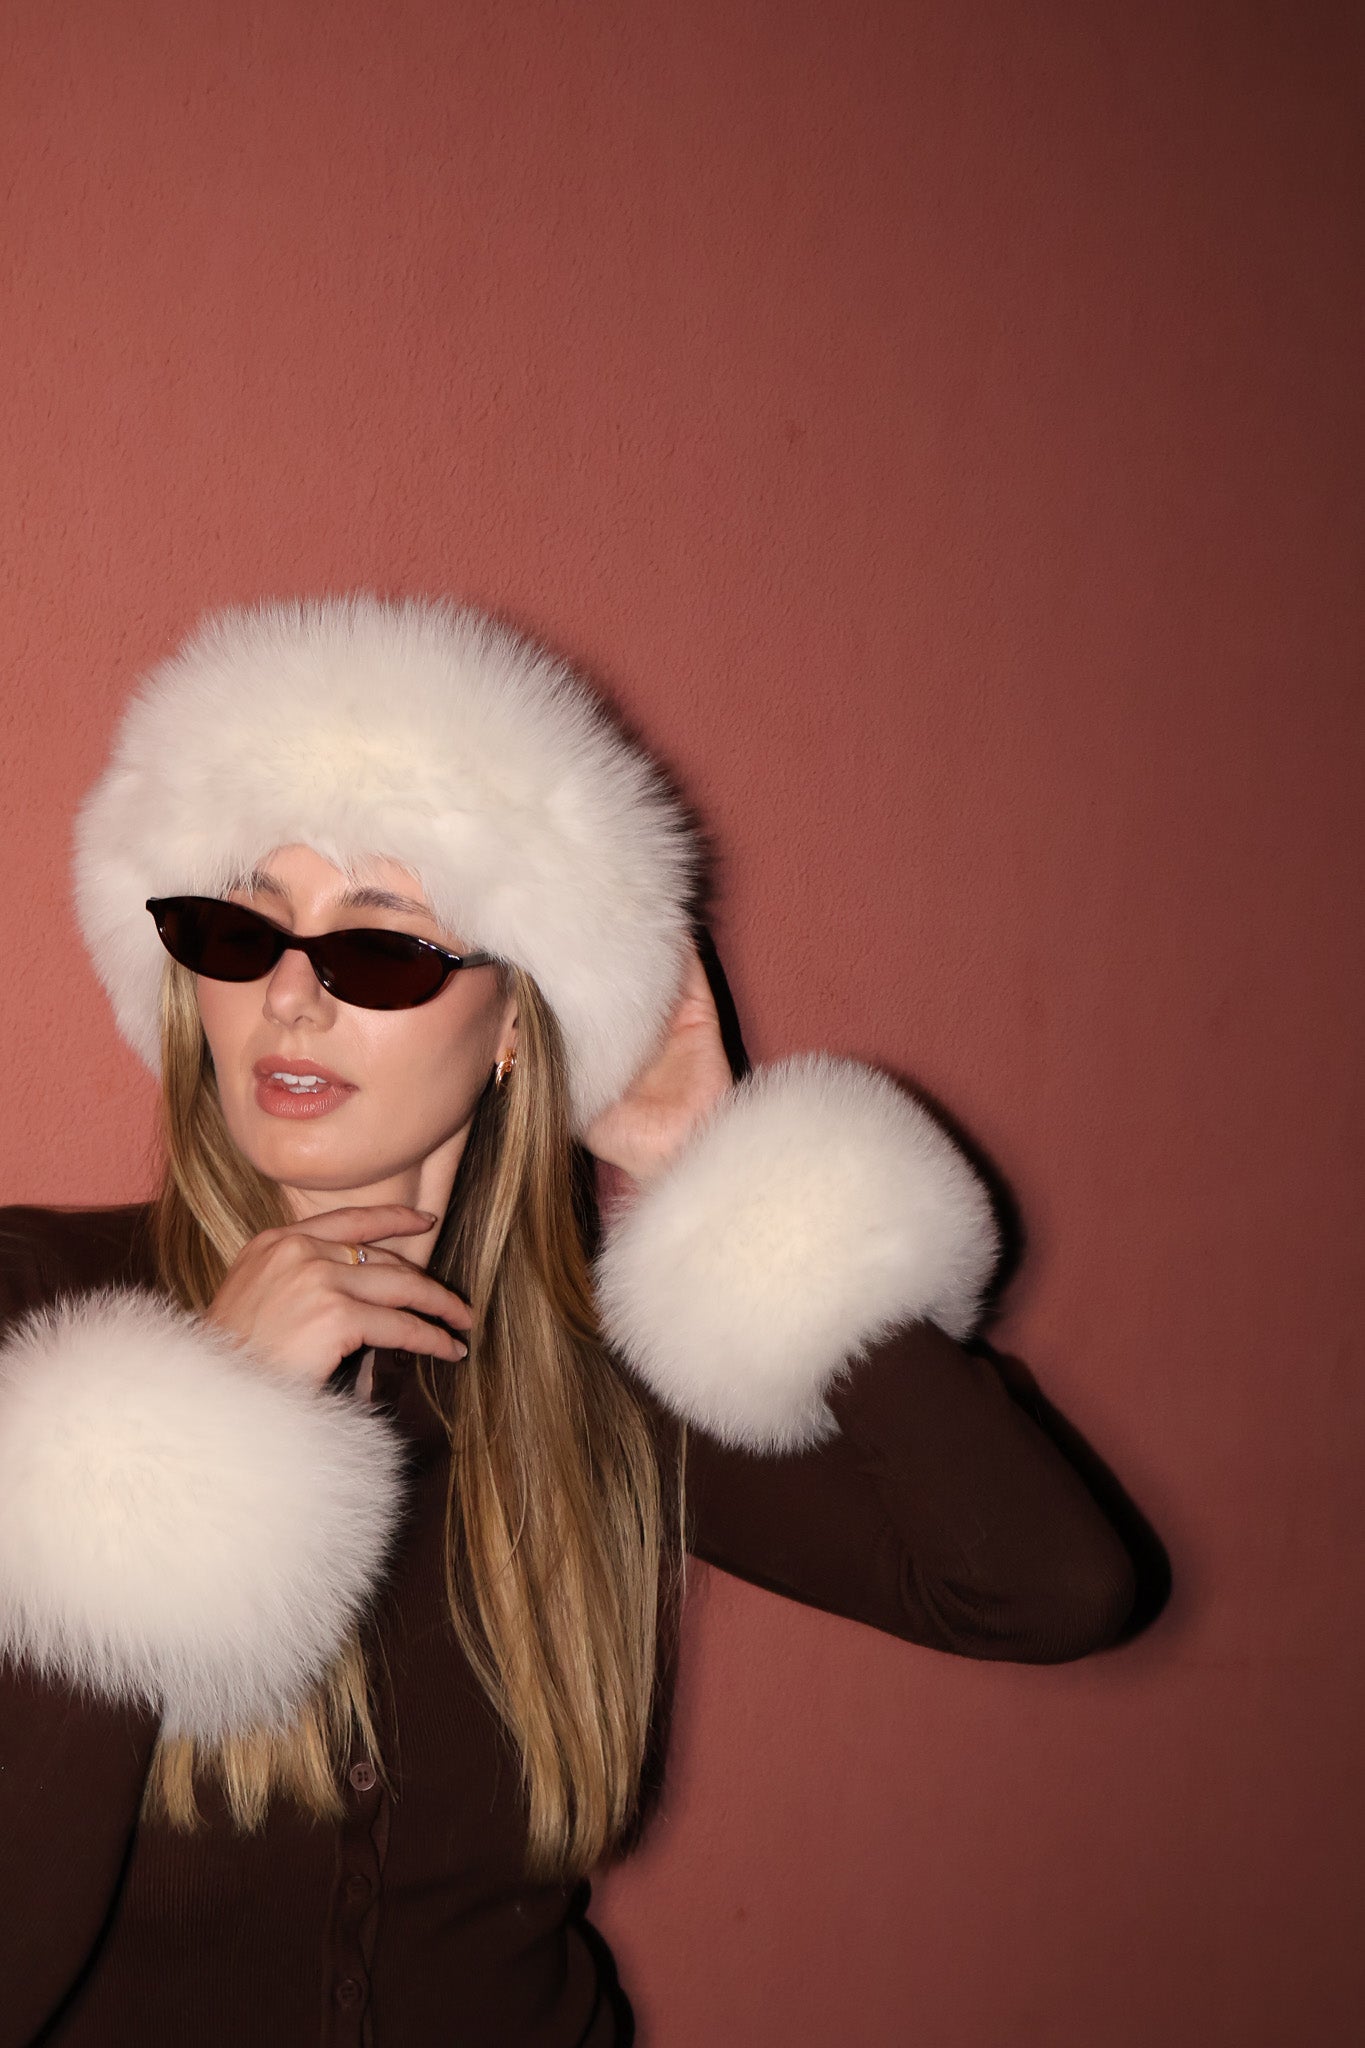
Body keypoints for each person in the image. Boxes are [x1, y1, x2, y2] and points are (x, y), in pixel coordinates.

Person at [0, 594, 1137, 2047]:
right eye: (239, 930)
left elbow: (1049, 1587)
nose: (288, 997)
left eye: (381, 949)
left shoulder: (587, 1371)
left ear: (517, 1025)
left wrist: (721, 1172)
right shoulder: (36, 1311)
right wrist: (186, 1444)